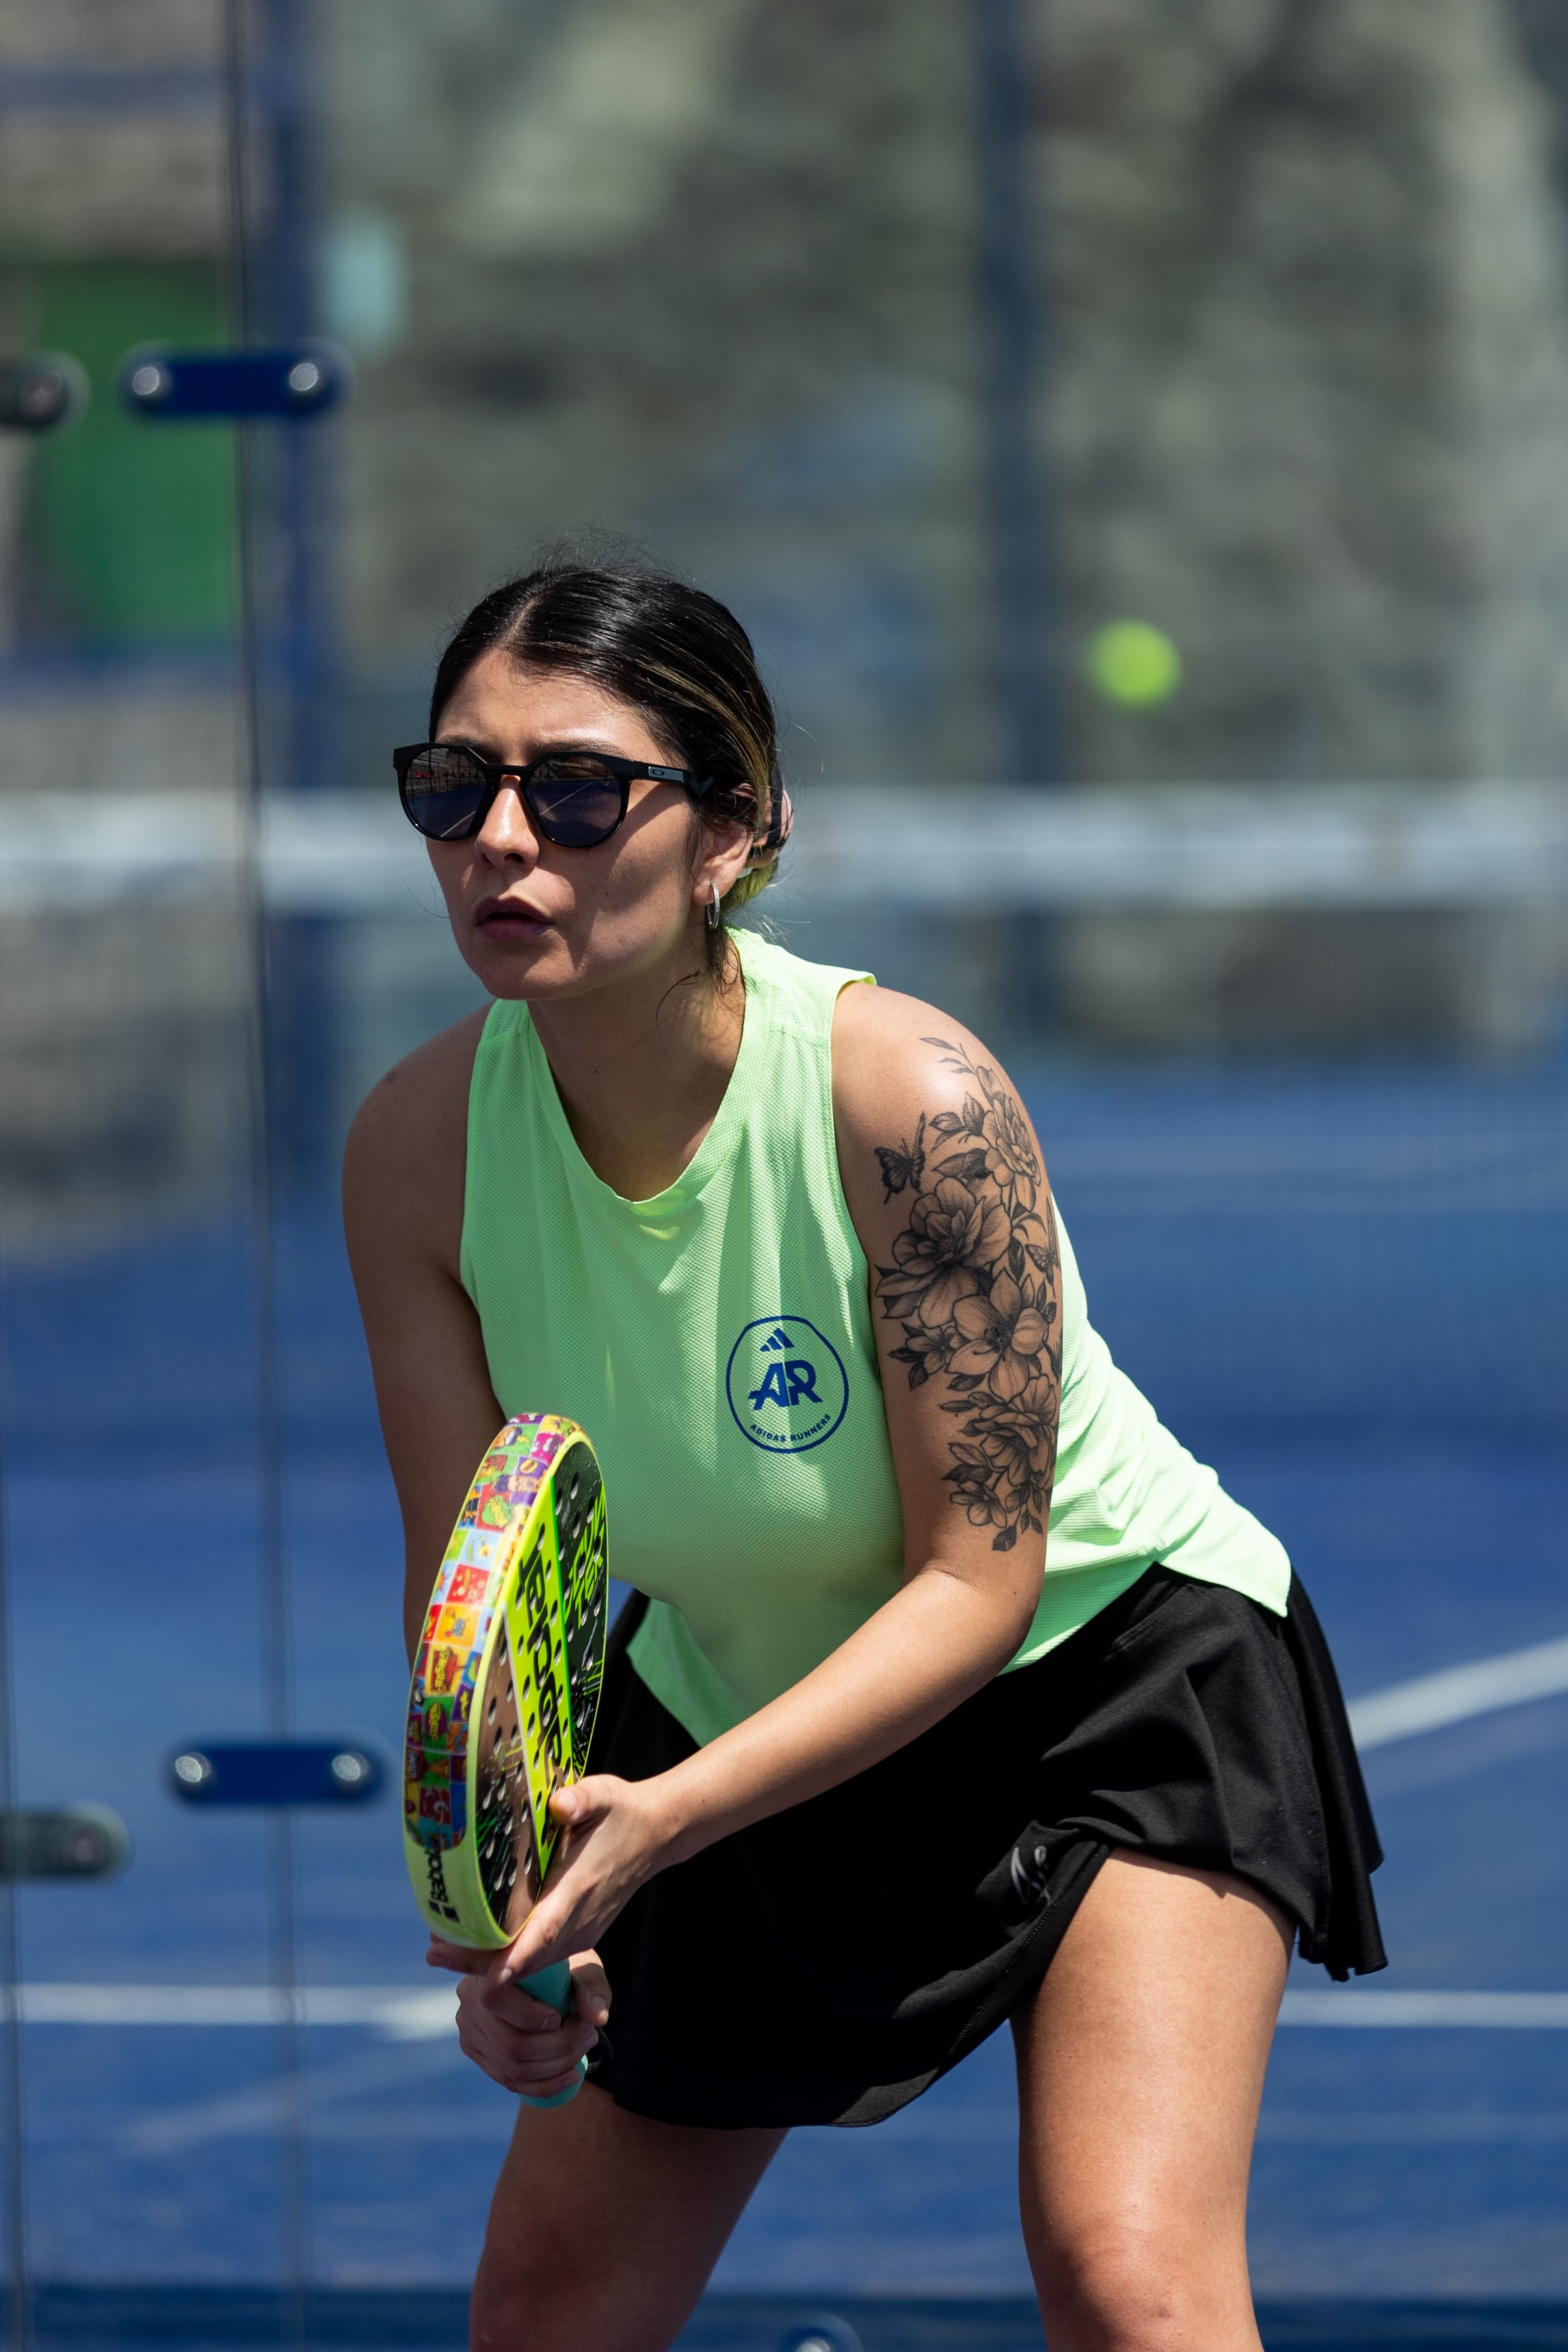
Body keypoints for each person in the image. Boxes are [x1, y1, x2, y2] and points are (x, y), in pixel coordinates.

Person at [344, 562, 1384, 2352]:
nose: (502, 838)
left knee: (1127, 2279)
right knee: (548, 2310)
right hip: (728, 1707)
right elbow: (479, 1610)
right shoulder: (412, 1150)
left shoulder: (910, 1101)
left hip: (1103, 1682)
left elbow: (975, 1587)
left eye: (576, 789)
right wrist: (524, 1915)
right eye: (456, 785)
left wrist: (665, 1823)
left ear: (734, 831)